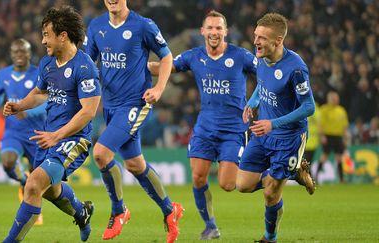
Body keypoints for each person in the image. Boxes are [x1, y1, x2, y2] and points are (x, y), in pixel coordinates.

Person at [148, 10, 315, 241]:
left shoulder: (262, 60)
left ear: (225, 32)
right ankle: (211, 225)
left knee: (249, 189)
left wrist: (271, 119)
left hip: (256, 132)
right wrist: (135, 66)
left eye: (219, 28)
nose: (214, 32)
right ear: (202, 31)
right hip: (219, 128)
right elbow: (264, 83)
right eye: (210, 27)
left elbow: (300, 100)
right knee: (220, 181)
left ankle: (274, 220)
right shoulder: (197, 56)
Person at [83, 1, 183, 242]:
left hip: (134, 104)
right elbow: (87, 64)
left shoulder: (143, 25)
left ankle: (119, 210)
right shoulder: (96, 26)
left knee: (100, 154)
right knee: (135, 165)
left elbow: (167, 57)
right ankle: (170, 210)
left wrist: (159, 88)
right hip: (111, 107)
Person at [2, 6, 101, 242]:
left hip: (73, 139)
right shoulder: (48, 63)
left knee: (34, 185)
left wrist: (58, 136)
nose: (43, 40)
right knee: (50, 191)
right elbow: (39, 92)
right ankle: (81, 211)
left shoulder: (85, 67)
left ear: (63, 35)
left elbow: (89, 112)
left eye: (47, 34)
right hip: (49, 136)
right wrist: (20, 105)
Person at [236, 13, 315, 243]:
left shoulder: (296, 68)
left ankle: (270, 238)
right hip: (263, 133)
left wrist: (274, 123)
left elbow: (309, 107)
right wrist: (252, 103)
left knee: (271, 192)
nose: (256, 42)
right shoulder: (261, 58)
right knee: (242, 185)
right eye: (255, 36)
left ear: (278, 40)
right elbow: (263, 86)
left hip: (289, 137)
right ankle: (293, 172)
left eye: (261, 38)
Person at [0, 39, 45, 225]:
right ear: (11, 54)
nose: (19, 55)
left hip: (37, 132)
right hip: (13, 131)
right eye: (16, 52)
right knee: (8, 162)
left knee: (41, 182)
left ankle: (34, 210)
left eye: (23, 52)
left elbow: (47, 101)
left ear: (29, 53)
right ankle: (22, 180)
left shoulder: (38, 74)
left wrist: (28, 112)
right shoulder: (3, 74)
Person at [316, 91, 348, 183]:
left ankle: (341, 179)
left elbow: (344, 125)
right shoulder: (324, 109)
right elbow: (320, 124)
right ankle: (316, 177)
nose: (335, 100)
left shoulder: (341, 110)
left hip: (338, 136)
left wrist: (345, 136)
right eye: (333, 98)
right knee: (324, 156)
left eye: (336, 98)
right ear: (328, 99)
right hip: (328, 135)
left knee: (339, 157)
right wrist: (322, 136)